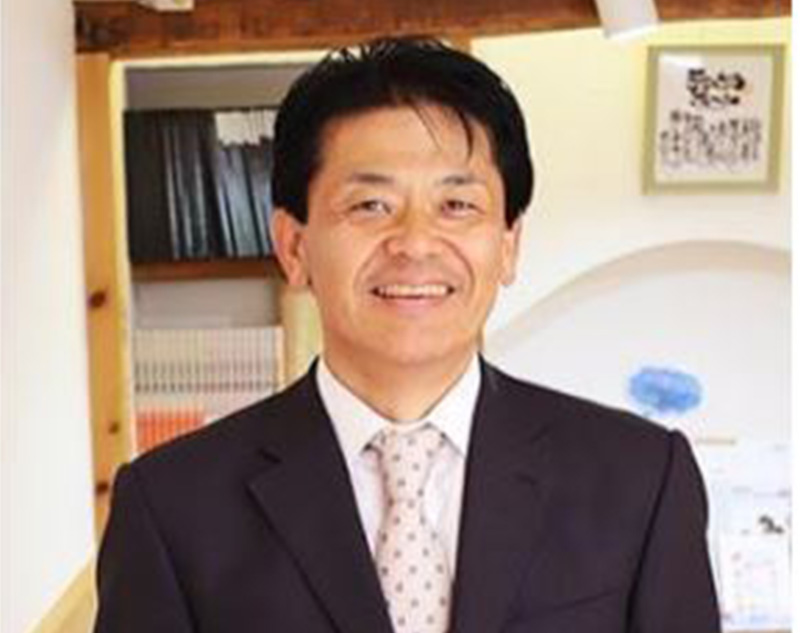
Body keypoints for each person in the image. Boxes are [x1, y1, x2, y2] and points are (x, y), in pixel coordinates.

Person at [94, 37, 721, 633]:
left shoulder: (640, 480)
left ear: (508, 244)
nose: (416, 243)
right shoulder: (171, 505)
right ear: (294, 246)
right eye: (370, 206)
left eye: (457, 206)